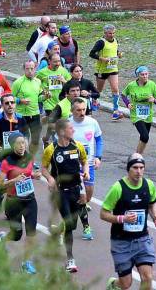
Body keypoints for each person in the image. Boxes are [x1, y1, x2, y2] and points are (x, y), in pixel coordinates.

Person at [101, 154, 156, 290]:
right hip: (121, 242)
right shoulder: (118, 188)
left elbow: (152, 204)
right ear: (128, 169)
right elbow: (103, 214)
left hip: (142, 239)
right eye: (135, 167)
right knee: (126, 284)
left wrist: (155, 216)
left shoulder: (149, 185)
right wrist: (122, 219)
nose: (139, 171)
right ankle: (113, 284)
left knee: (147, 278)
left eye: (142, 167)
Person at [41, 117, 88, 274]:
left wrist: (86, 171)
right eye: (70, 128)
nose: (73, 130)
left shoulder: (78, 146)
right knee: (69, 224)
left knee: (73, 225)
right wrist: (49, 178)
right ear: (62, 132)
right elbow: (44, 168)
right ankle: (70, 259)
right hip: (60, 192)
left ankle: (60, 229)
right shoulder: (51, 150)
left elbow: (84, 161)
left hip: (76, 189)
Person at [0, 134, 41, 275]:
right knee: (17, 235)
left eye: (24, 143)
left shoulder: (29, 157)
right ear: (12, 145)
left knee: (31, 233)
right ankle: (4, 237)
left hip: (30, 200)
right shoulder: (7, 162)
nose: (22, 146)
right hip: (13, 202)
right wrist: (13, 180)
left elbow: (28, 173)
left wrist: (34, 175)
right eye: (19, 143)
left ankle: (26, 262)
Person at [69, 97, 103, 239]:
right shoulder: (67, 124)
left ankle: (78, 209)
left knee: (88, 193)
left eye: (84, 109)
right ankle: (84, 225)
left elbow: (99, 139)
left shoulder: (92, 122)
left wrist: (98, 157)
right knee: (80, 195)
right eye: (79, 110)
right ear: (72, 111)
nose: (82, 112)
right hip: (72, 165)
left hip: (88, 163)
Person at [122, 65, 156, 154]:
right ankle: (138, 157)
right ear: (138, 75)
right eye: (142, 74)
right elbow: (123, 94)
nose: (145, 76)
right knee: (145, 136)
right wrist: (128, 103)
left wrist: (154, 100)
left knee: (144, 138)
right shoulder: (131, 85)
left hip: (148, 116)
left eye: (146, 74)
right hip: (136, 115)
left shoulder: (152, 85)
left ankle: (137, 156)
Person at [11, 59, 45, 157]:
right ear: (24, 69)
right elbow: (10, 97)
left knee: (35, 141)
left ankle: (31, 159)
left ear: (35, 69)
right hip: (22, 115)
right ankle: (22, 158)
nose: (30, 71)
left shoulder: (38, 81)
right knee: (23, 140)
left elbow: (39, 98)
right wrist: (20, 101)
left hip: (35, 114)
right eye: (27, 69)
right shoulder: (18, 82)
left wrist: (45, 97)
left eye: (32, 68)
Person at [90, 24, 123, 121]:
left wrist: (119, 54)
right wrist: (101, 58)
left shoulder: (116, 40)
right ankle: (93, 101)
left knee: (115, 89)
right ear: (105, 33)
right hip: (102, 70)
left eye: (113, 33)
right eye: (109, 33)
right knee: (99, 90)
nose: (112, 35)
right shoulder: (101, 42)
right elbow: (91, 54)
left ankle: (116, 111)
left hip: (113, 69)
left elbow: (115, 50)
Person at [37, 51, 72, 140]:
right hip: (49, 102)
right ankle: (56, 141)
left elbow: (72, 84)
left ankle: (46, 138)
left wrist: (64, 81)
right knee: (56, 123)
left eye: (59, 61)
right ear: (49, 61)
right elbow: (36, 83)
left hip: (60, 101)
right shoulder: (42, 72)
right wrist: (43, 91)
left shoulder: (63, 70)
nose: (57, 63)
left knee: (54, 121)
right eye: (55, 61)